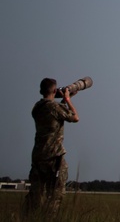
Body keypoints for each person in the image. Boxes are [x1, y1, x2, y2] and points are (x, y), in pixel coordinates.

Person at [24, 78, 79, 218]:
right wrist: (68, 99)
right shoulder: (55, 108)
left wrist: (65, 100)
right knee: (55, 195)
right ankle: (49, 218)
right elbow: (75, 117)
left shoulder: (37, 107)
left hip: (38, 157)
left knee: (36, 194)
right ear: (55, 91)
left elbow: (54, 114)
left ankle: (29, 217)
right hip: (54, 158)